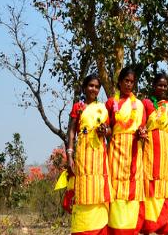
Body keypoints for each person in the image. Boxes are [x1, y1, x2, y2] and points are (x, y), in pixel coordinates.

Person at [65, 74, 112, 235]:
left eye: (97, 87)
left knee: (99, 191)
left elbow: (109, 129)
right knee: (83, 191)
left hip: (99, 155)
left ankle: (100, 229)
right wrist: (69, 155)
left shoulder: (102, 108)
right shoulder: (78, 107)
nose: (94, 89)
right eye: (91, 85)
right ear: (85, 87)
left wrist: (105, 130)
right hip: (83, 154)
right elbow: (71, 132)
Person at [105, 67, 147, 235]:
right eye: (126, 81)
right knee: (116, 189)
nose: (129, 84)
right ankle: (115, 229)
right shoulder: (110, 103)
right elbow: (107, 128)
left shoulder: (139, 104)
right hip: (116, 150)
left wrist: (141, 133)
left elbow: (143, 127)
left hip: (134, 150)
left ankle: (132, 229)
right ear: (120, 82)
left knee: (133, 189)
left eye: (132, 82)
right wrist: (105, 131)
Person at [142, 74, 168, 234]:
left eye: (165, 85)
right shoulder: (146, 104)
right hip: (149, 151)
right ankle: (149, 226)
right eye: (159, 85)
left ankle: (163, 226)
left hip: (165, 153)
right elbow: (141, 127)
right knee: (149, 186)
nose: (162, 88)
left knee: (164, 187)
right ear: (153, 85)